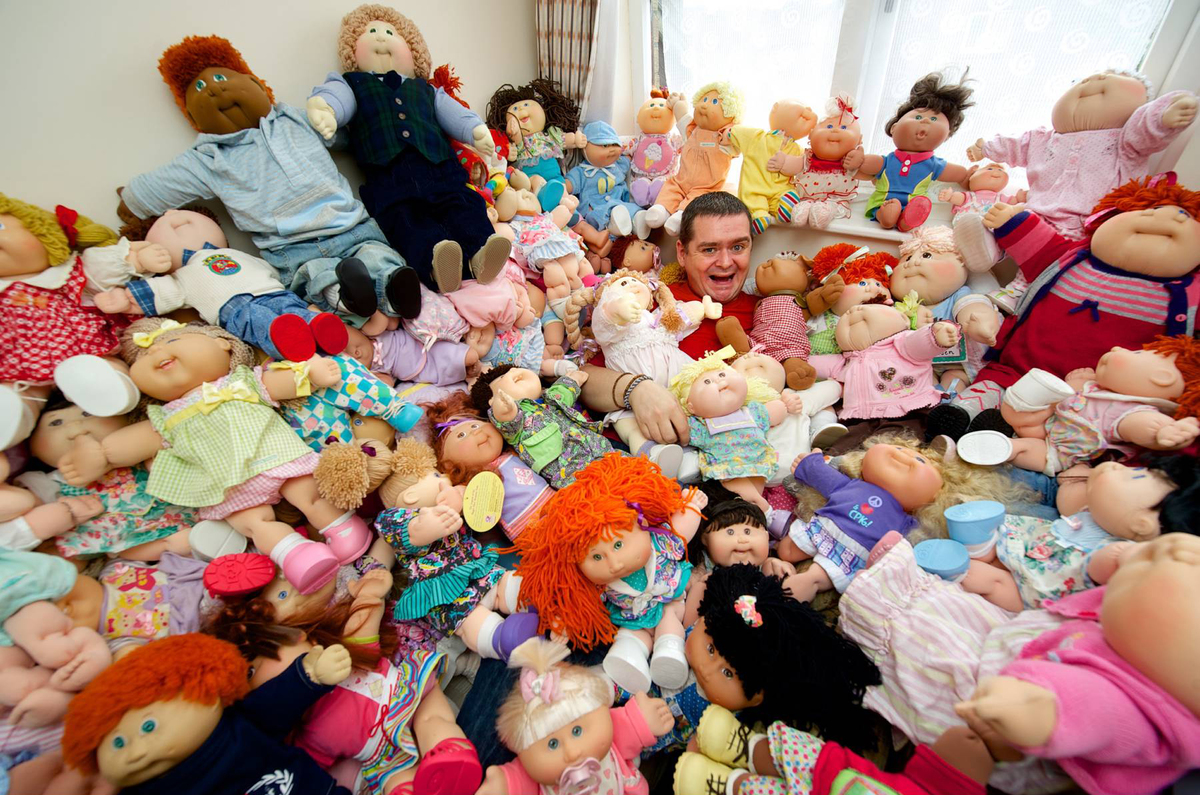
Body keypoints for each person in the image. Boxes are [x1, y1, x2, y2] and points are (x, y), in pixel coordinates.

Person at [579, 192, 758, 448]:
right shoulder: (651, 300)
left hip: (729, 449)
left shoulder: (767, 311)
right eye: (709, 249)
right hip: (637, 446)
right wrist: (636, 390)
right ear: (682, 254)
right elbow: (583, 378)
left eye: (738, 247)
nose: (725, 262)